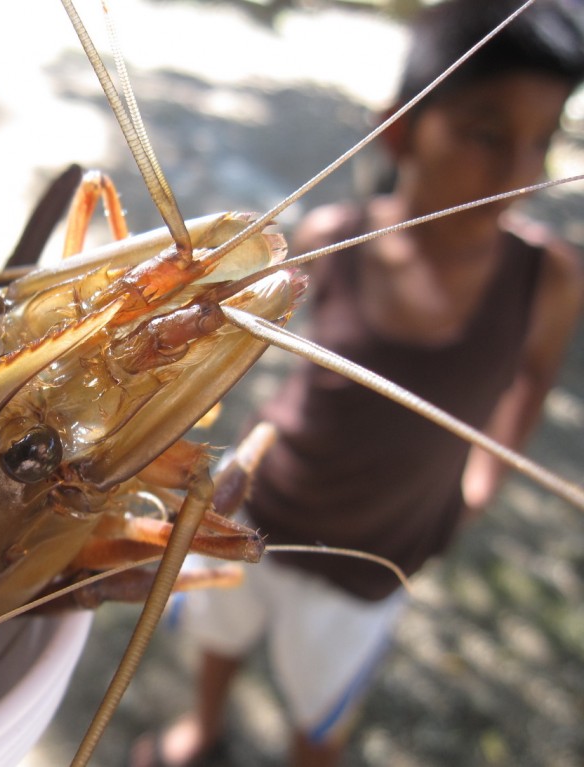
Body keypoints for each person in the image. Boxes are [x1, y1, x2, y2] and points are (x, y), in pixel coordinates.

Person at [130, 1, 584, 765]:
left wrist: (483, 481)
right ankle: (203, 730)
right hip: (261, 509)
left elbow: (534, 375)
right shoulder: (329, 239)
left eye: (542, 141)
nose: (517, 172)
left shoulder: (550, 279)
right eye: (486, 133)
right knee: (219, 630)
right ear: (401, 130)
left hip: (375, 556)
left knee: (321, 712)